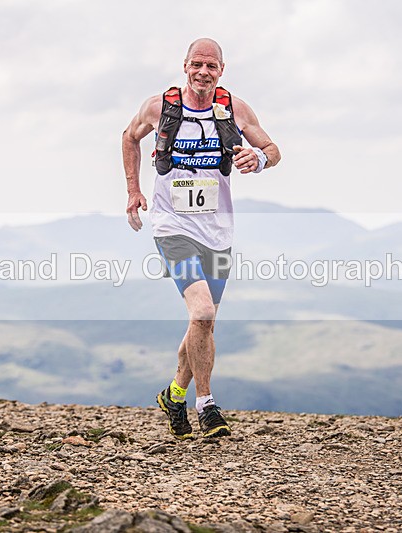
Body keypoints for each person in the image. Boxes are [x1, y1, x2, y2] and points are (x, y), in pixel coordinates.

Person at [122, 38, 280, 439]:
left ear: (221, 70)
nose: (204, 72)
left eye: (212, 66)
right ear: (185, 66)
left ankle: (174, 394)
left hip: (218, 231)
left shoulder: (234, 109)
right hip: (172, 226)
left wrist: (257, 158)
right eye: (197, 64)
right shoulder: (160, 107)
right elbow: (129, 136)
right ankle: (207, 406)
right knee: (203, 313)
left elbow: (273, 150)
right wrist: (133, 190)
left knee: (202, 324)